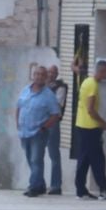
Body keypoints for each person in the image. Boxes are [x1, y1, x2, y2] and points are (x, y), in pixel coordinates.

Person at [16, 65, 60, 197]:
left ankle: (34, 186)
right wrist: (17, 123)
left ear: (45, 77)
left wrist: (44, 127)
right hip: (24, 132)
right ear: (33, 76)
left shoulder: (49, 95)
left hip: (38, 133)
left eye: (42, 75)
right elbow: (19, 107)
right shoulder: (25, 90)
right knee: (30, 158)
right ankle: (40, 185)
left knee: (36, 159)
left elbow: (55, 115)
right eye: (37, 74)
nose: (39, 77)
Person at [73, 59, 106, 200]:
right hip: (90, 127)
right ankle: (104, 190)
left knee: (85, 159)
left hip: (82, 125)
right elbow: (90, 109)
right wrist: (103, 123)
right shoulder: (93, 85)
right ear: (102, 71)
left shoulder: (87, 82)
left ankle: (81, 190)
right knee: (97, 160)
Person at [43, 62, 67, 196]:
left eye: (53, 72)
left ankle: (56, 185)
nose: (51, 75)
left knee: (54, 155)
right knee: (37, 154)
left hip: (52, 123)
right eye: (49, 72)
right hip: (40, 122)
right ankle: (38, 183)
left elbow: (56, 105)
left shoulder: (60, 87)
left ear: (57, 74)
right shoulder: (42, 87)